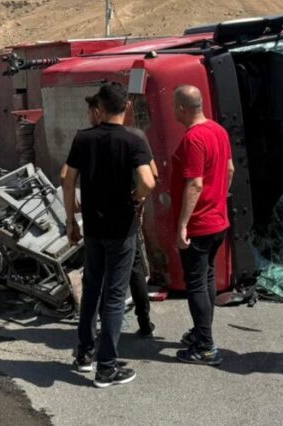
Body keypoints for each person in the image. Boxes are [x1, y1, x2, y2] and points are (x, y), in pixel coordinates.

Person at [63, 82, 155, 388]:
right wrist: (138, 198)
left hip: (93, 227)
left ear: (99, 107)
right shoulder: (134, 139)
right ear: (127, 107)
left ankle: (84, 354)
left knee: (92, 290)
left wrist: (70, 219)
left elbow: (67, 178)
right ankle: (107, 367)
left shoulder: (83, 138)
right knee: (115, 296)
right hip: (122, 228)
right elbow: (149, 180)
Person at [170, 85, 233, 366]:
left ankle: (206, 346)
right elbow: (229, 169)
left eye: (174, 106)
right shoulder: (218, 131)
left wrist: (182, 224)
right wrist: (219, 197)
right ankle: (200, 331)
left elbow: (194, 184)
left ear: (183, 109)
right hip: (217, 219)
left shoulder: (193, 138)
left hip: (199, 223)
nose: (173, 111)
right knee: (206, 277)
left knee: (196, 283)